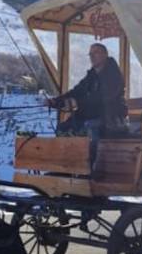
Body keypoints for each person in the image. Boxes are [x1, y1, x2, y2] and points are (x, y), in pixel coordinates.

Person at [45, 42, 128, 170]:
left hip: (110, 117)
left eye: (96, 53)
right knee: (64, 127)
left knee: (90, 128)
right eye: (90, 54)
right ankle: (67, 167)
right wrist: (56, 101)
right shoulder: (91, 75)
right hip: (90, 115)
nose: (92, 56)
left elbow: (103, 98)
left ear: (105, 55)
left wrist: (77, 103)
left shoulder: (113, 74)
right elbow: (77, 91)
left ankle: (91, 169)